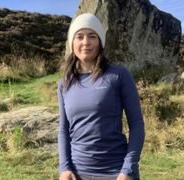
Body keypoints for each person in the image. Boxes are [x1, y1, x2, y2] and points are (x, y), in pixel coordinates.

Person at [57, 13, 145, 180]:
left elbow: (137, 125)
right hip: (77, 173)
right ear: (72, 43)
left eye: (92, 36)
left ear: (100, 42)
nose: (85, 42)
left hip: (116, 172)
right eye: (79, 36)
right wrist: (64, 168)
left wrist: (128, 169)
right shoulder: (63, 84)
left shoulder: (119, 75)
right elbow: (63, 130)